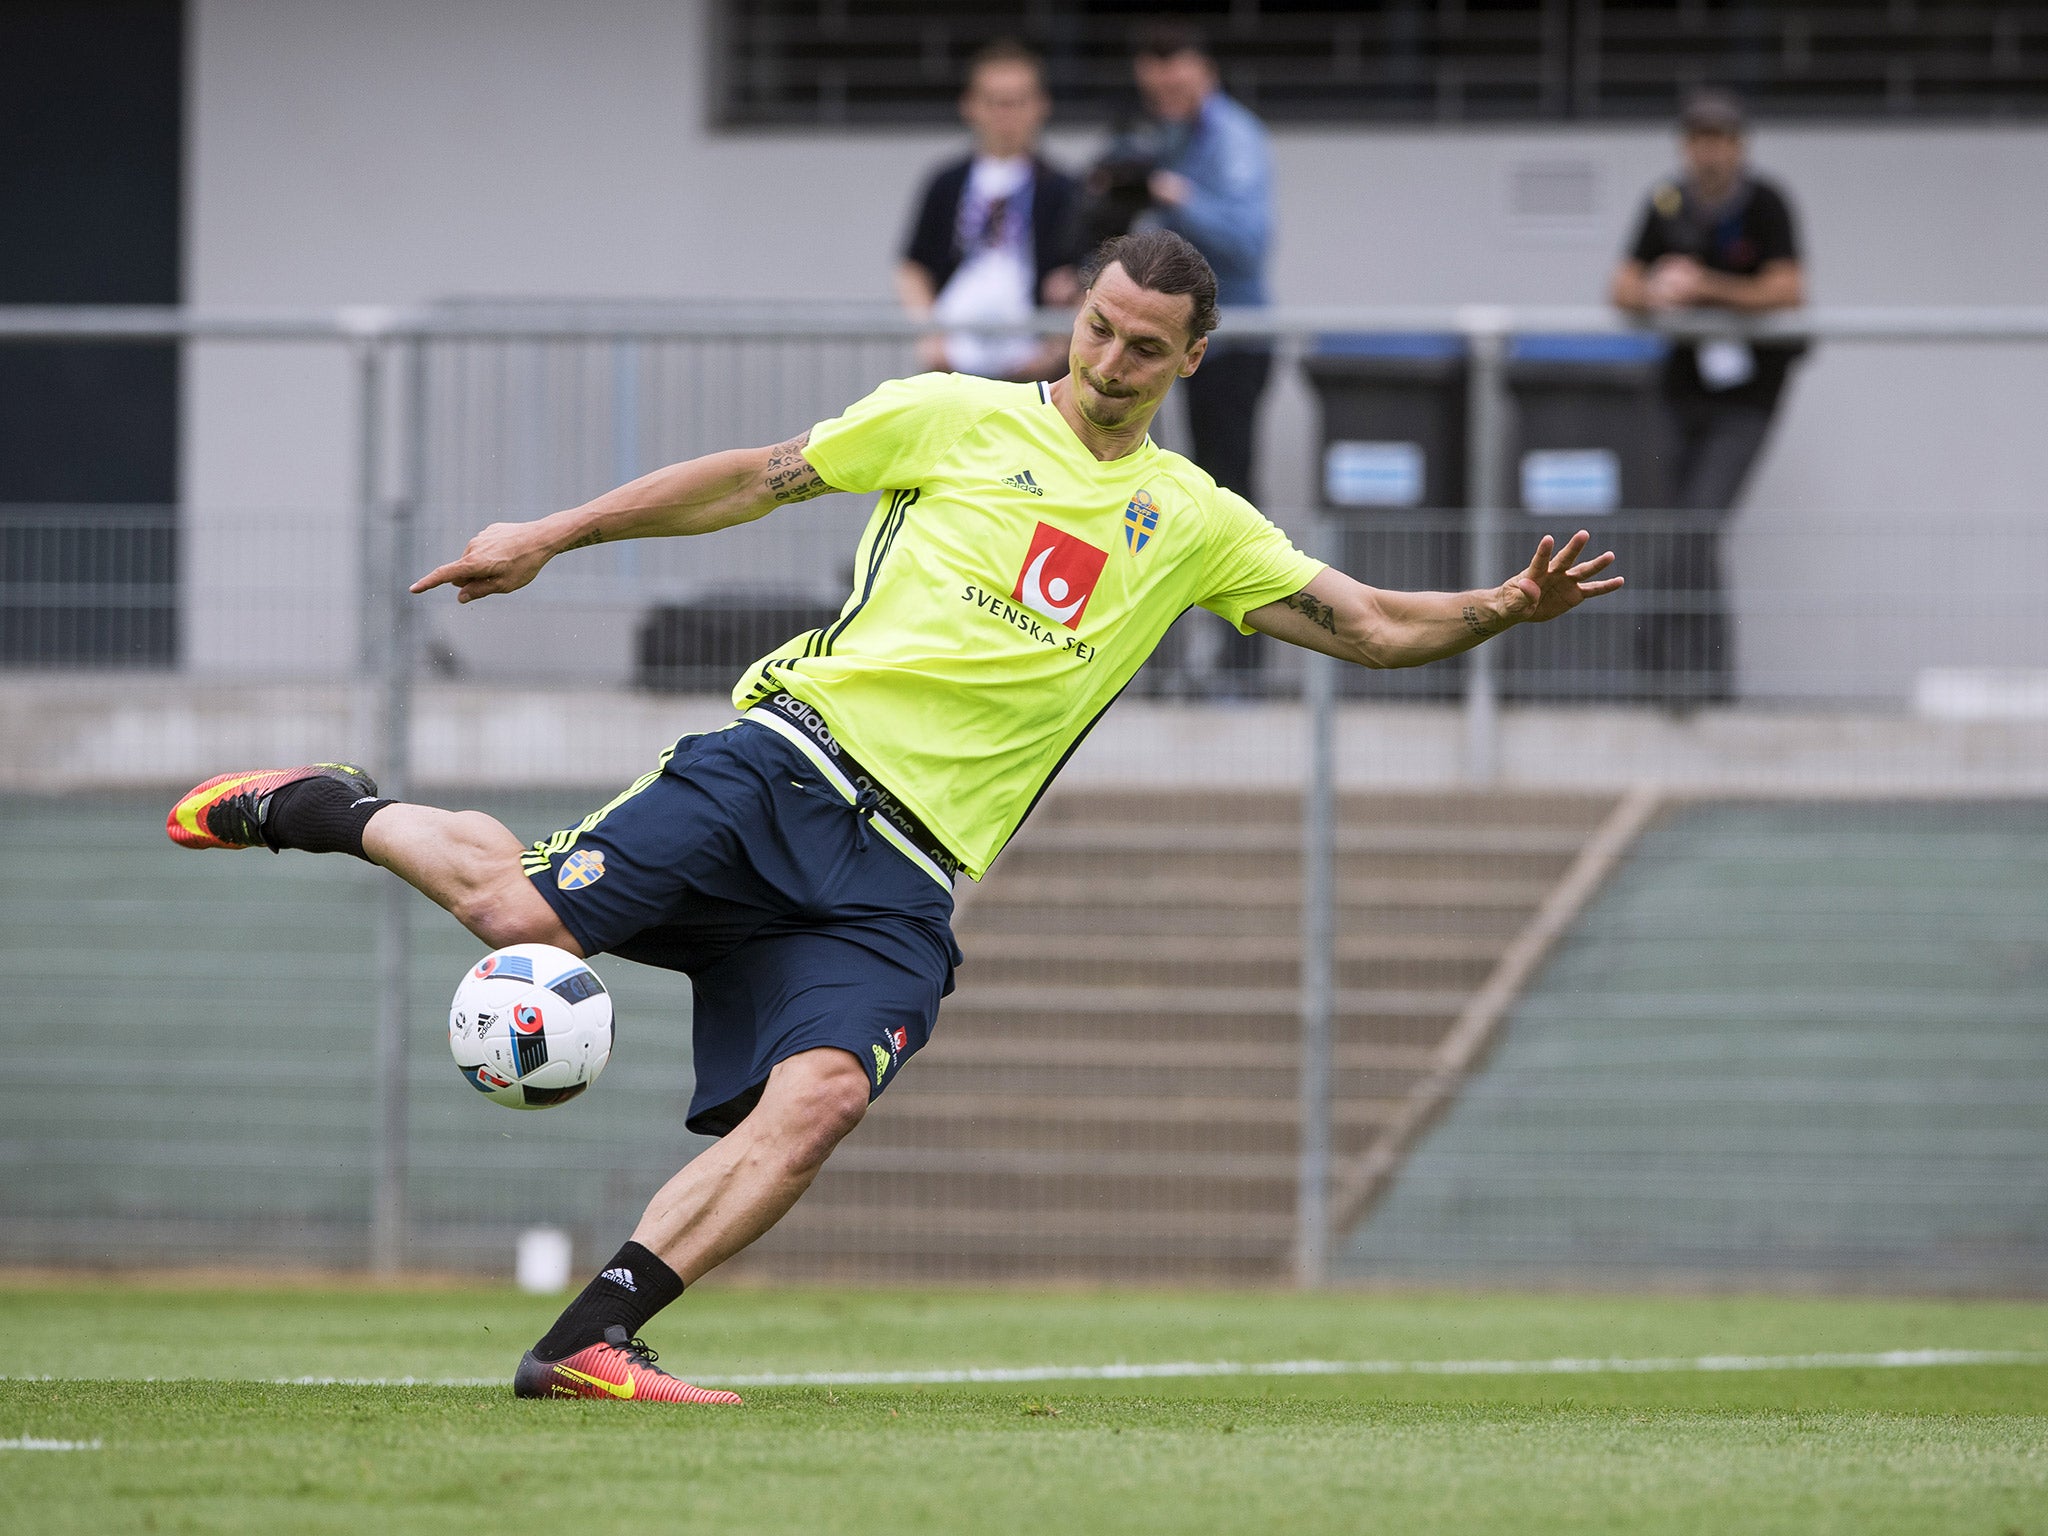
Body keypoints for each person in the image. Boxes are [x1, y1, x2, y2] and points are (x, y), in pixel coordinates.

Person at [165, 229, 1620, 1405]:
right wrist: (554, 534)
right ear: (1078, 314)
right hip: (785, 766)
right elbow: (753, 477)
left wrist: (1503, 607)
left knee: (822, 1102)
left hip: (903, 879)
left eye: (1146, 347)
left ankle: (590, 1340)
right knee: (513, 917)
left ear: (1190, 361)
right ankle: (329, 807)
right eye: (1100, 328)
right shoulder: (951, 413)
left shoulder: (1192, 521)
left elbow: (1366, 626)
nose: (1112, 361)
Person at [1094, 22, 1276, 693]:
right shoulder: (1158, 131)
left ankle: (1242, 669)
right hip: (1163, 341)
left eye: (1176, 83)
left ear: (1205, 72)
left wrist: (1172, 194)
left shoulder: (1234, 138)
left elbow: (1249, 242)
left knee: (1225, 496)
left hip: (1232, 348)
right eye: (1154, 85)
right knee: (1153, 495)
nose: (1164, 95)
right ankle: (1159, 662)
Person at [1610, 87, 1806, 699]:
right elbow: (1621, 286)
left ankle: (1672, 664)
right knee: (1682, 529)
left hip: (1747, 399)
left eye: (1720, 139)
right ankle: (1699, 679)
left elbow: (1786, 289)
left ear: (1739, 146)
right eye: (1698, 139)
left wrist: (1706, 289)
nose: (1709, 152)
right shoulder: (1666, 202)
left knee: (1696, 524)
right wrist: (1659, 292)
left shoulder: (1767, 203)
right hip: (1679, 392)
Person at [897, 39, 1082, 382]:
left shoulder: (1063, 189)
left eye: (1017, 102)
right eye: (994, 102)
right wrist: (931, 337)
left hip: (1032, 366)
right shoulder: (947, 183)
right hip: (954, 361)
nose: (1005, 114)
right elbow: (914, 266)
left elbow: (1083, 275)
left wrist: (1055, 349)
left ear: (1041, 105)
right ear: (970, 105)